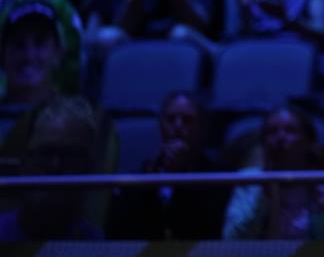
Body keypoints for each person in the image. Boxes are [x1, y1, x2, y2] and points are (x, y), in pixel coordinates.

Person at [222, 105, 324, 240]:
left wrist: (322, 212)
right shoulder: (249, 181)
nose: (280, 138)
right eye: (272, 132)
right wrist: (262, 198)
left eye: (290, 131)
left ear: (309, 142)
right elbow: (233, 239)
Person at [108, 92, 228, 239]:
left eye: (187, 120)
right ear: (160, 127)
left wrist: (182, 176)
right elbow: (123, 232)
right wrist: (149, 186)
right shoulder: (142, 177)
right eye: (170, 119)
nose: (177, 126)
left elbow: (207, 231)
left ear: (202, 129)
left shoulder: (219, 178)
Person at [0, 96, 103, 240]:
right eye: (45, 153)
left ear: (88, 168)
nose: (56, 165)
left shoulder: (99, 247)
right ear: (24, 163)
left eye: (70, 156)